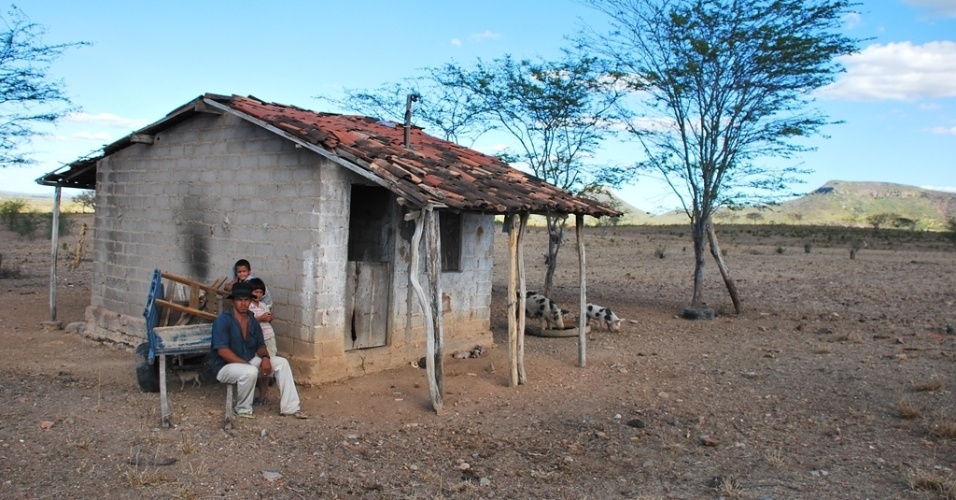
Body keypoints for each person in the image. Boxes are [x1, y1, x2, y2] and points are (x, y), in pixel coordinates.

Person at [210, 281, 307, 419]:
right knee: (250, 371)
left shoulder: (252, 320)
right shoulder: (223, 320)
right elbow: (222, 351)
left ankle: (290, 408)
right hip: (225, 367)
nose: (243, 303)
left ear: (250, 301)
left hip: (248, 360)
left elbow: (261, 345)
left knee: (282, 363)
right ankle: (243, 408)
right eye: (239, 300)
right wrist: (248, 364)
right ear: (233, 302)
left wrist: (266, 358)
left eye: (246, 300)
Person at [247, 277, 276, 405]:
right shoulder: (248, 306)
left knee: (268, 367)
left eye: (260, 292)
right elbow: (247, 323)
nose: (257, 294)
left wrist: (269, 318)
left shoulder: (263, 305)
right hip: (257, 340)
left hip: (269, 337)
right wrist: (261, 318)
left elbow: (269, 319)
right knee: (259, 367)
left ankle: (263, 395)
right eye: (255, 291)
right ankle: (258, 395)